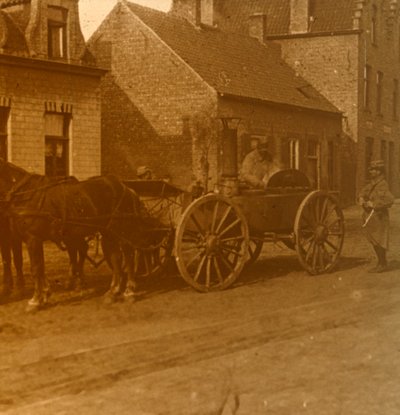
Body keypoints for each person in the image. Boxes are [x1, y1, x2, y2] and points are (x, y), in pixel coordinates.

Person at [359, 160, 394, 273]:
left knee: (380, 240)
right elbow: (363, 191)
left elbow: (389, 200)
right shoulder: (373, 183)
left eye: (373, 170)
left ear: (379, 171)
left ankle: (382, 263)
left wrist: (373, 204)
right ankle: (380, 262)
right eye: (371, 169)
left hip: (380, 217)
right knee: (374, 240)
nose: (371, 172)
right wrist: (361, 198)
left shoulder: (383, 184)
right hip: (371, 216)